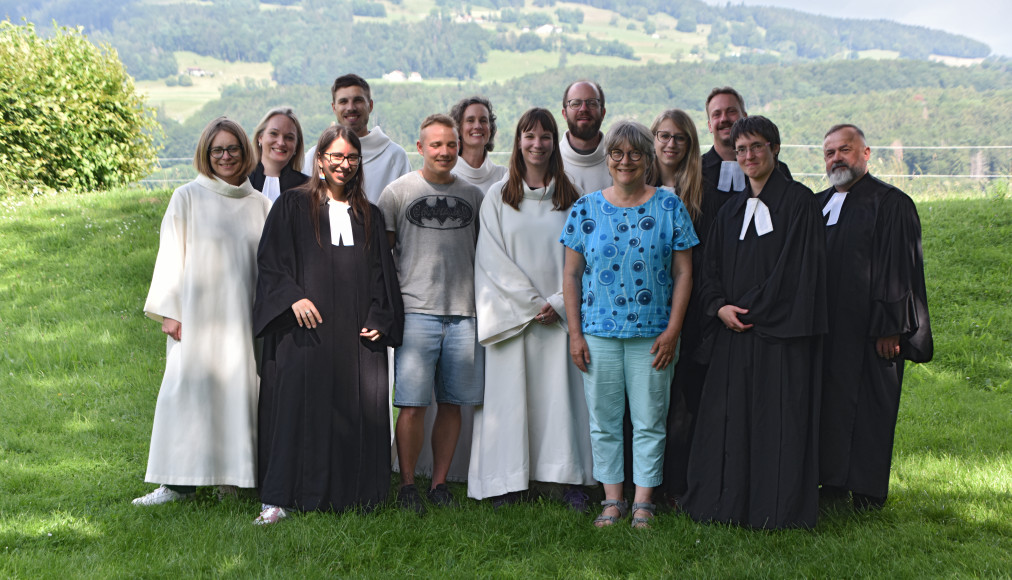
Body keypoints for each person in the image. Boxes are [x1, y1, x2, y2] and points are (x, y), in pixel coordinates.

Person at [252, 125, 405, 524]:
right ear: (320, 160)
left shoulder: (368, 215)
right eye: (335, 156)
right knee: (295, 411)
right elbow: (270, 262)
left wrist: (380, 317)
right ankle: (281, 497)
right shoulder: (290, 206)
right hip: (304, 334)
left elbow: (382, 276)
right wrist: (292, 297)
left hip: (357, 338)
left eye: (351, 157)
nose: (343, 164)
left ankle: (356, 495)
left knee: (356, 408)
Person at [682, 116, 827, 530]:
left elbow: (796, 271)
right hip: (734, 336)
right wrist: (719, 308)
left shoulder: (800, 204)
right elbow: (709, 271)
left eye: (756, 147)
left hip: (779, 338)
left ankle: (774, 510)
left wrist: (751, 311)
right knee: (729, 424)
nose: (748, 156)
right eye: (741, 149)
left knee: (775, 423)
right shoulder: (729, 213)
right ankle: (727, 505)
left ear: (775, 149)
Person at [561, 120, 697, 528]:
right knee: (603, 422)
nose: (626, 161)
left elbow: (684, 273)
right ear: (608, 159)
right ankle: (611, 500)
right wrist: (575, 334)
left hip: (653, 336)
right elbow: (570, 275)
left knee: (650, 421)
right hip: (599, 334)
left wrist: (673, 330)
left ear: (648, 158)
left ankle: (643, 502)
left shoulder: (669, 206)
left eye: (635, 153)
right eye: (618, 154)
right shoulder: (585, 209)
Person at [133, 117, 269, 506]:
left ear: (246, 153)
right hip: (194, 317)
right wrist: (169, 311)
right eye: (218, 150)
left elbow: (270, 268)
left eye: (233, 149)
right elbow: (171, 256)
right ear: (206, 155)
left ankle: (234, 478)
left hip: (242, 321)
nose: (226, 157)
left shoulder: (261, 205)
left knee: (238, 395)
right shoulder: (187, 197)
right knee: (186, 394)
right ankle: (176, 484)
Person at [468, 108, 595, 508]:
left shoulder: (572, 198)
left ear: (553, 143)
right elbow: (490, 260)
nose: (537, 144)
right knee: (510, 401)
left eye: (544, 137)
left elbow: (588, 259)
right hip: (515, 318)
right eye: (529, 136)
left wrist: (558, 303)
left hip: (560, 317)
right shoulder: (498, 197)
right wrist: (531, 304)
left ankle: (570, 478)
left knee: (564, 400)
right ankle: (509, 480)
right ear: (518, 142)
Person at [817, 124, 933, 511]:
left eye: (845, 150)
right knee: (830, 404)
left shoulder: (890, 202)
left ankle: (867, 491)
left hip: (873, 330)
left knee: (870, 407)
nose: (837, 158)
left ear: (865, 154)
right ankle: (831, 482)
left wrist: (891, 326)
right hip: (829, 329)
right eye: (830, 152)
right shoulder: (818, 205)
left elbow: (899, 267)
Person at [378, 114, 485, 514]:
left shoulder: (474, 196)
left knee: (452, 403)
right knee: (412, 404)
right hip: (415, 312)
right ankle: (407, 485)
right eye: (436, 145)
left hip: (464, 313)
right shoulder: (397, 193)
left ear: (459, 147)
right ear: (420, 148)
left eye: (451, 145)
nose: (445, 152)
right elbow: (383, 259)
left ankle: (439, 484)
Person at [645, 109, 708, 503]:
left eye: (679, 138)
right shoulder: (635, 187)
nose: (670, 144)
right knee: (645, 405)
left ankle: (676, 488)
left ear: (690, 145)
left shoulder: (706, 196)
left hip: (693, 312)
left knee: (683, 403)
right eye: (663, 136)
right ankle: (642, 486)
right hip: (645, 310)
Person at [302, 73, 411, 203]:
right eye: (343, 101)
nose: (351, 107)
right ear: (334, 108)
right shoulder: (315, 156)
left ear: (370, 106)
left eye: (358, 100)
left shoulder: (395, 157)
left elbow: (405, 209)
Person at [700, 87, 792, 240]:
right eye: (717, 114)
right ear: (710, 125)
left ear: (745, 117)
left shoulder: (777, 169)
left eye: (731, 111)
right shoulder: (696, 171)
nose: (724, 119)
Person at [559, 80, 611, 194]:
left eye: (592, 103)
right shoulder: (549, 161)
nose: (583, 109)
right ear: (564, 114)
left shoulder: (620, 163)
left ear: (603, 113)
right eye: (575, 103)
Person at [248, 106, 309, 203]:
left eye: (289, 137)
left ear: (296, 145)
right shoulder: (241, 181)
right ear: (260, 137)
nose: (281, 143)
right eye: (273, 133)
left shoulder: (308, 188)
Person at [450, 96, 507, 194]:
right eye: (470, 120)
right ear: (458, 129)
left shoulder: (504, 176)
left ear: (491, 129)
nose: (477, 126)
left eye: (483, 120)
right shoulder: (447, 176)